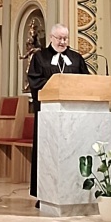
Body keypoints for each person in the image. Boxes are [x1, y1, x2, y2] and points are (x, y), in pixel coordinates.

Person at [26, 23, 90, 203]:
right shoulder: (40, 57)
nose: (62, 42)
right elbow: (35, 82)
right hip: (48, 117)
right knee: (47, 155)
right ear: (51, 38)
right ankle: (44, 195)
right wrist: (57, 85)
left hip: (74, 117)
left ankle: (75, 193)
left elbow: (86, 82)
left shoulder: (76, 58)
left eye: (65, 38)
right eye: (59, 38)